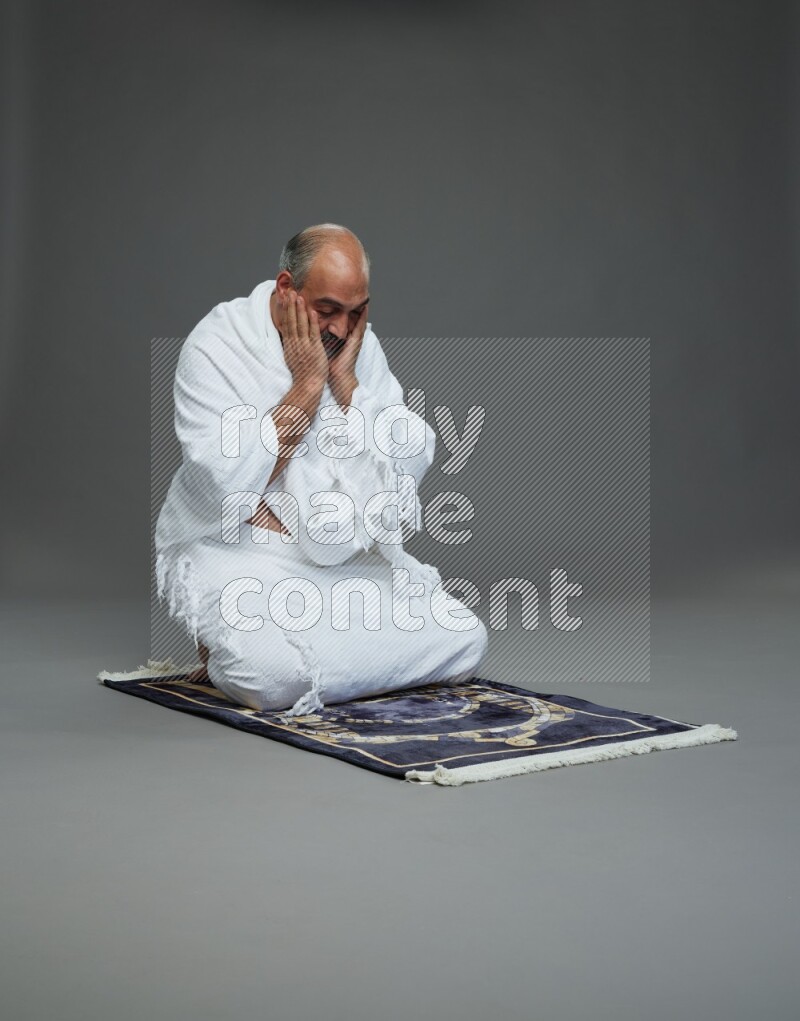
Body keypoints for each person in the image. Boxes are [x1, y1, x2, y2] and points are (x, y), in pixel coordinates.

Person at [154, 223, 488, 717]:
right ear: (286, 288)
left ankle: (317, 661)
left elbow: (399, 463)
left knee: (466, 637)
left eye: (356, 313)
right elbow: (220, 486)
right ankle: (254, 649)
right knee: (270, 679)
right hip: (242, 548)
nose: (340, 328)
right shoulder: (218, 343)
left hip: (336, 555)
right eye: (327, 310)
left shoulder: (356, 345)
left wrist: (346, 380)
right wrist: (308, 386)